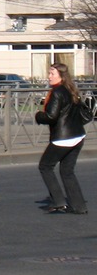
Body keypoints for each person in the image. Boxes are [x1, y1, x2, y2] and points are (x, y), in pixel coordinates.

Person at [35, 63, 88, 215]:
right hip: (78, 136)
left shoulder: (57, 92)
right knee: (67, 171)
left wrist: (39, 115)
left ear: (61, 75)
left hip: (63, 138)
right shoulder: (71, 89)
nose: (49, 76)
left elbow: (51, 116)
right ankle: (79, 206)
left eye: (52, 73)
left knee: (45, 166)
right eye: (49, 73)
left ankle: (59, 202)